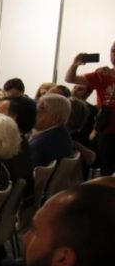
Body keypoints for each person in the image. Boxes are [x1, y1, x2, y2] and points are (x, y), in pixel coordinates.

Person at [66, 43, 115, 175]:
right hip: (107, 129)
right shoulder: (102, 75)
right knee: (107, 170)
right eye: (112, 50)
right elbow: (70, 79)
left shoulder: (106, 74)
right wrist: (75, 64)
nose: (114, 54)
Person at [30, 93, 74, 166]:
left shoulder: (39, 146)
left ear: (55, 119)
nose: (34, 112)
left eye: (40, 109)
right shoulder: (62, 134)